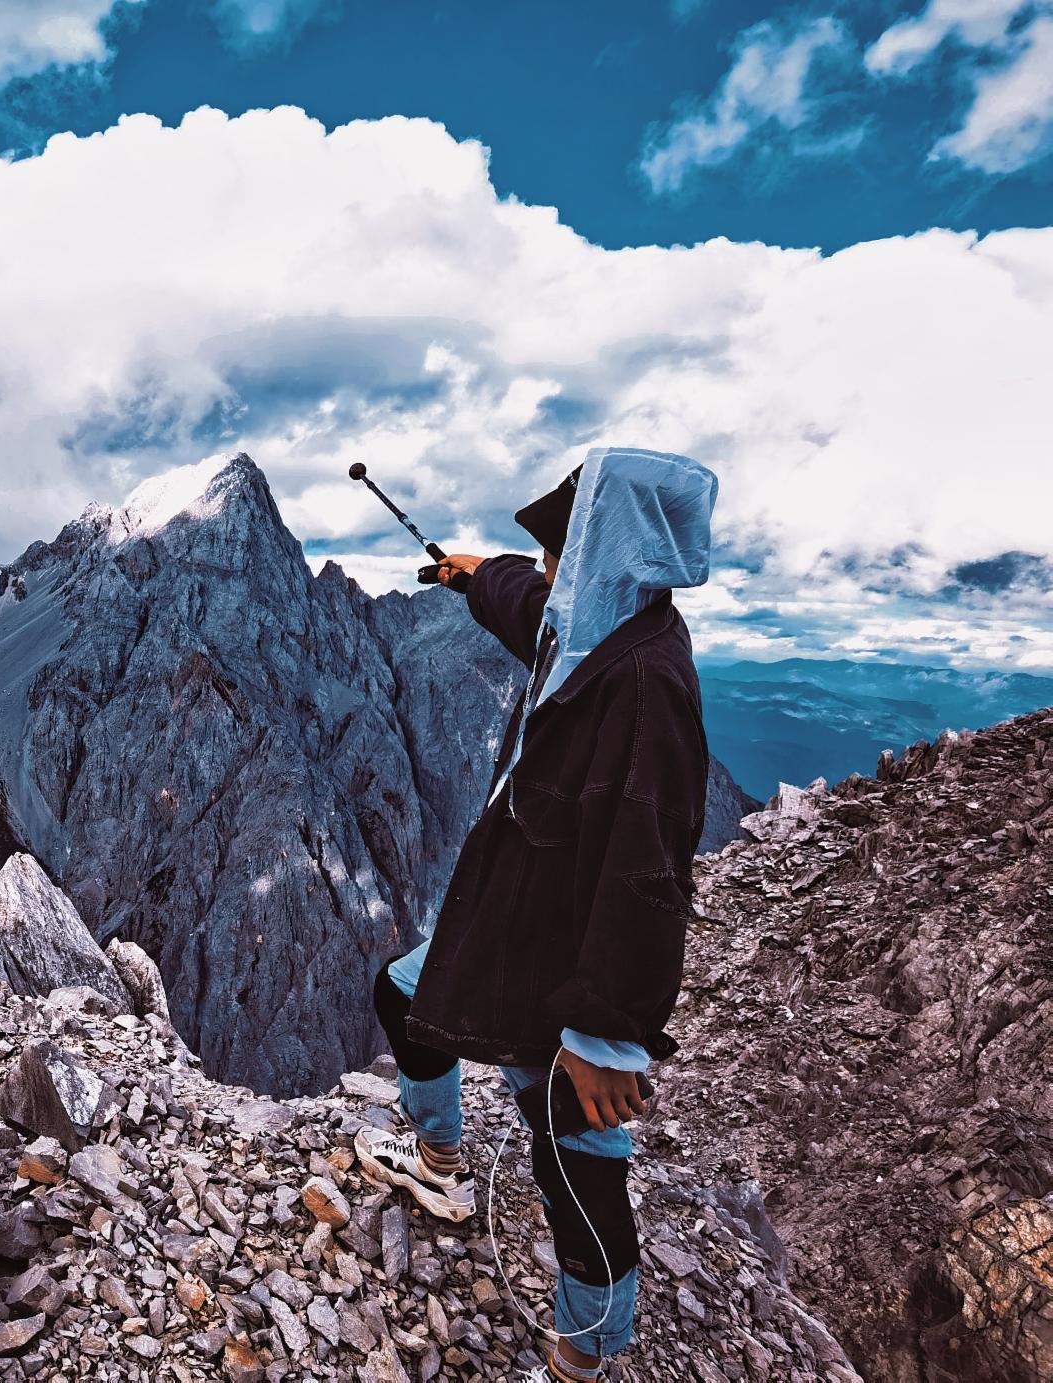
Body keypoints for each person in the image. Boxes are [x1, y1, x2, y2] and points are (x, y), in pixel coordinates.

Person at [355, 448, 718, 1381]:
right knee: (403, 997)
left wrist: (605, 1035)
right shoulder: (595, 629)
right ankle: (441, 1164)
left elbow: (650, 878)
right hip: (516, 919)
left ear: (606, 552)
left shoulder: (648, 686)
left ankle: (581, 1359)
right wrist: (474, 574)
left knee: (576, 1157)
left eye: (564, 549)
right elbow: (527, 602)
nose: (551, 570)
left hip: (567, 970)